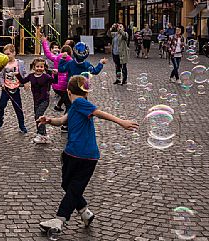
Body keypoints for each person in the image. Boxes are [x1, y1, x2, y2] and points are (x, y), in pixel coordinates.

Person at [37, 75, 139, 234]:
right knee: (68, 185)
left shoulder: (79, 102)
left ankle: (59, 220)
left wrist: (122, 122)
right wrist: (49, 120)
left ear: (69, 92)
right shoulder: (75, 106)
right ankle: (85, 213)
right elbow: (63, 120)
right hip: (74, 154)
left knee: (74, 187)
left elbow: (99, 113)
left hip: (83, 155)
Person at [58, 42, 107, 132]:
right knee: (84, 106)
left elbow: (61, 69)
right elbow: (95, 71)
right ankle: (82, 122)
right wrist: (100, 63)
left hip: (71, 89)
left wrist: (62, 59)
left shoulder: (70, 63)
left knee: (70, 107)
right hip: (82, 89)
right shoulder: (87, 65)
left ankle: (65, 125)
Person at [16, 58, 56, 144]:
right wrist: (18, 74)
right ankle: (43, 134)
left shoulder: (46, 77)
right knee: (37, 116)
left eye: (41, 67)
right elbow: (23, 81)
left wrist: (55, 74)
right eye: (37, 66)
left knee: (39, 115)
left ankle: (41, 134)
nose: (39, 68)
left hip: (44, 99)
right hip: (36, 100)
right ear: (33, 67)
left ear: (44, 68)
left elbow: (55, 81)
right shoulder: (31, 76)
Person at [0, 44, 28, 134]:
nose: (7, 56)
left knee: (18, 108)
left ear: (14, 53)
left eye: (8, 54)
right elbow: (1, 76)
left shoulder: (19, 63)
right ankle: (0, 121)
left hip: (15, 88)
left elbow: (24, 74)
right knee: (1, 105)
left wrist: (25, 82)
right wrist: (2, 84)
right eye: (5, 55)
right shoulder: (4, 64)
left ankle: (21, 125)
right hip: (6, 89)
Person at [42, 37, 72, 112]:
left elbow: (47, 52)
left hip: (55, 84)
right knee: (68, 103)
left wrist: (44, 42)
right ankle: (66, 121)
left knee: (65, 96)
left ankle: (58, 106)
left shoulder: (56, 58)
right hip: (65, 85)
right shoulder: (71, 60)